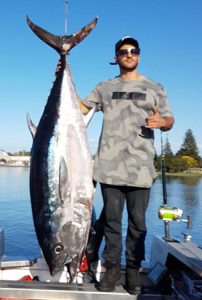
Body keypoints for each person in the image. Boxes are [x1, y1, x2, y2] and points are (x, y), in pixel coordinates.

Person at [80, 36, 174, 294]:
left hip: (141, 169)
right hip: (108, 168)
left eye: (133, 51)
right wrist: (62, 75)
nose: (128, 54)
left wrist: (162, 123)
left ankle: (132, 270)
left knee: (138, 224)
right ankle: (111, 270)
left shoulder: (155, 87)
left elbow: (169, 119)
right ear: (116, 57)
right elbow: (81, 108)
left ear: (139, 56)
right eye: (123, 51)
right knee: (110, 223)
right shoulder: (104, 87)